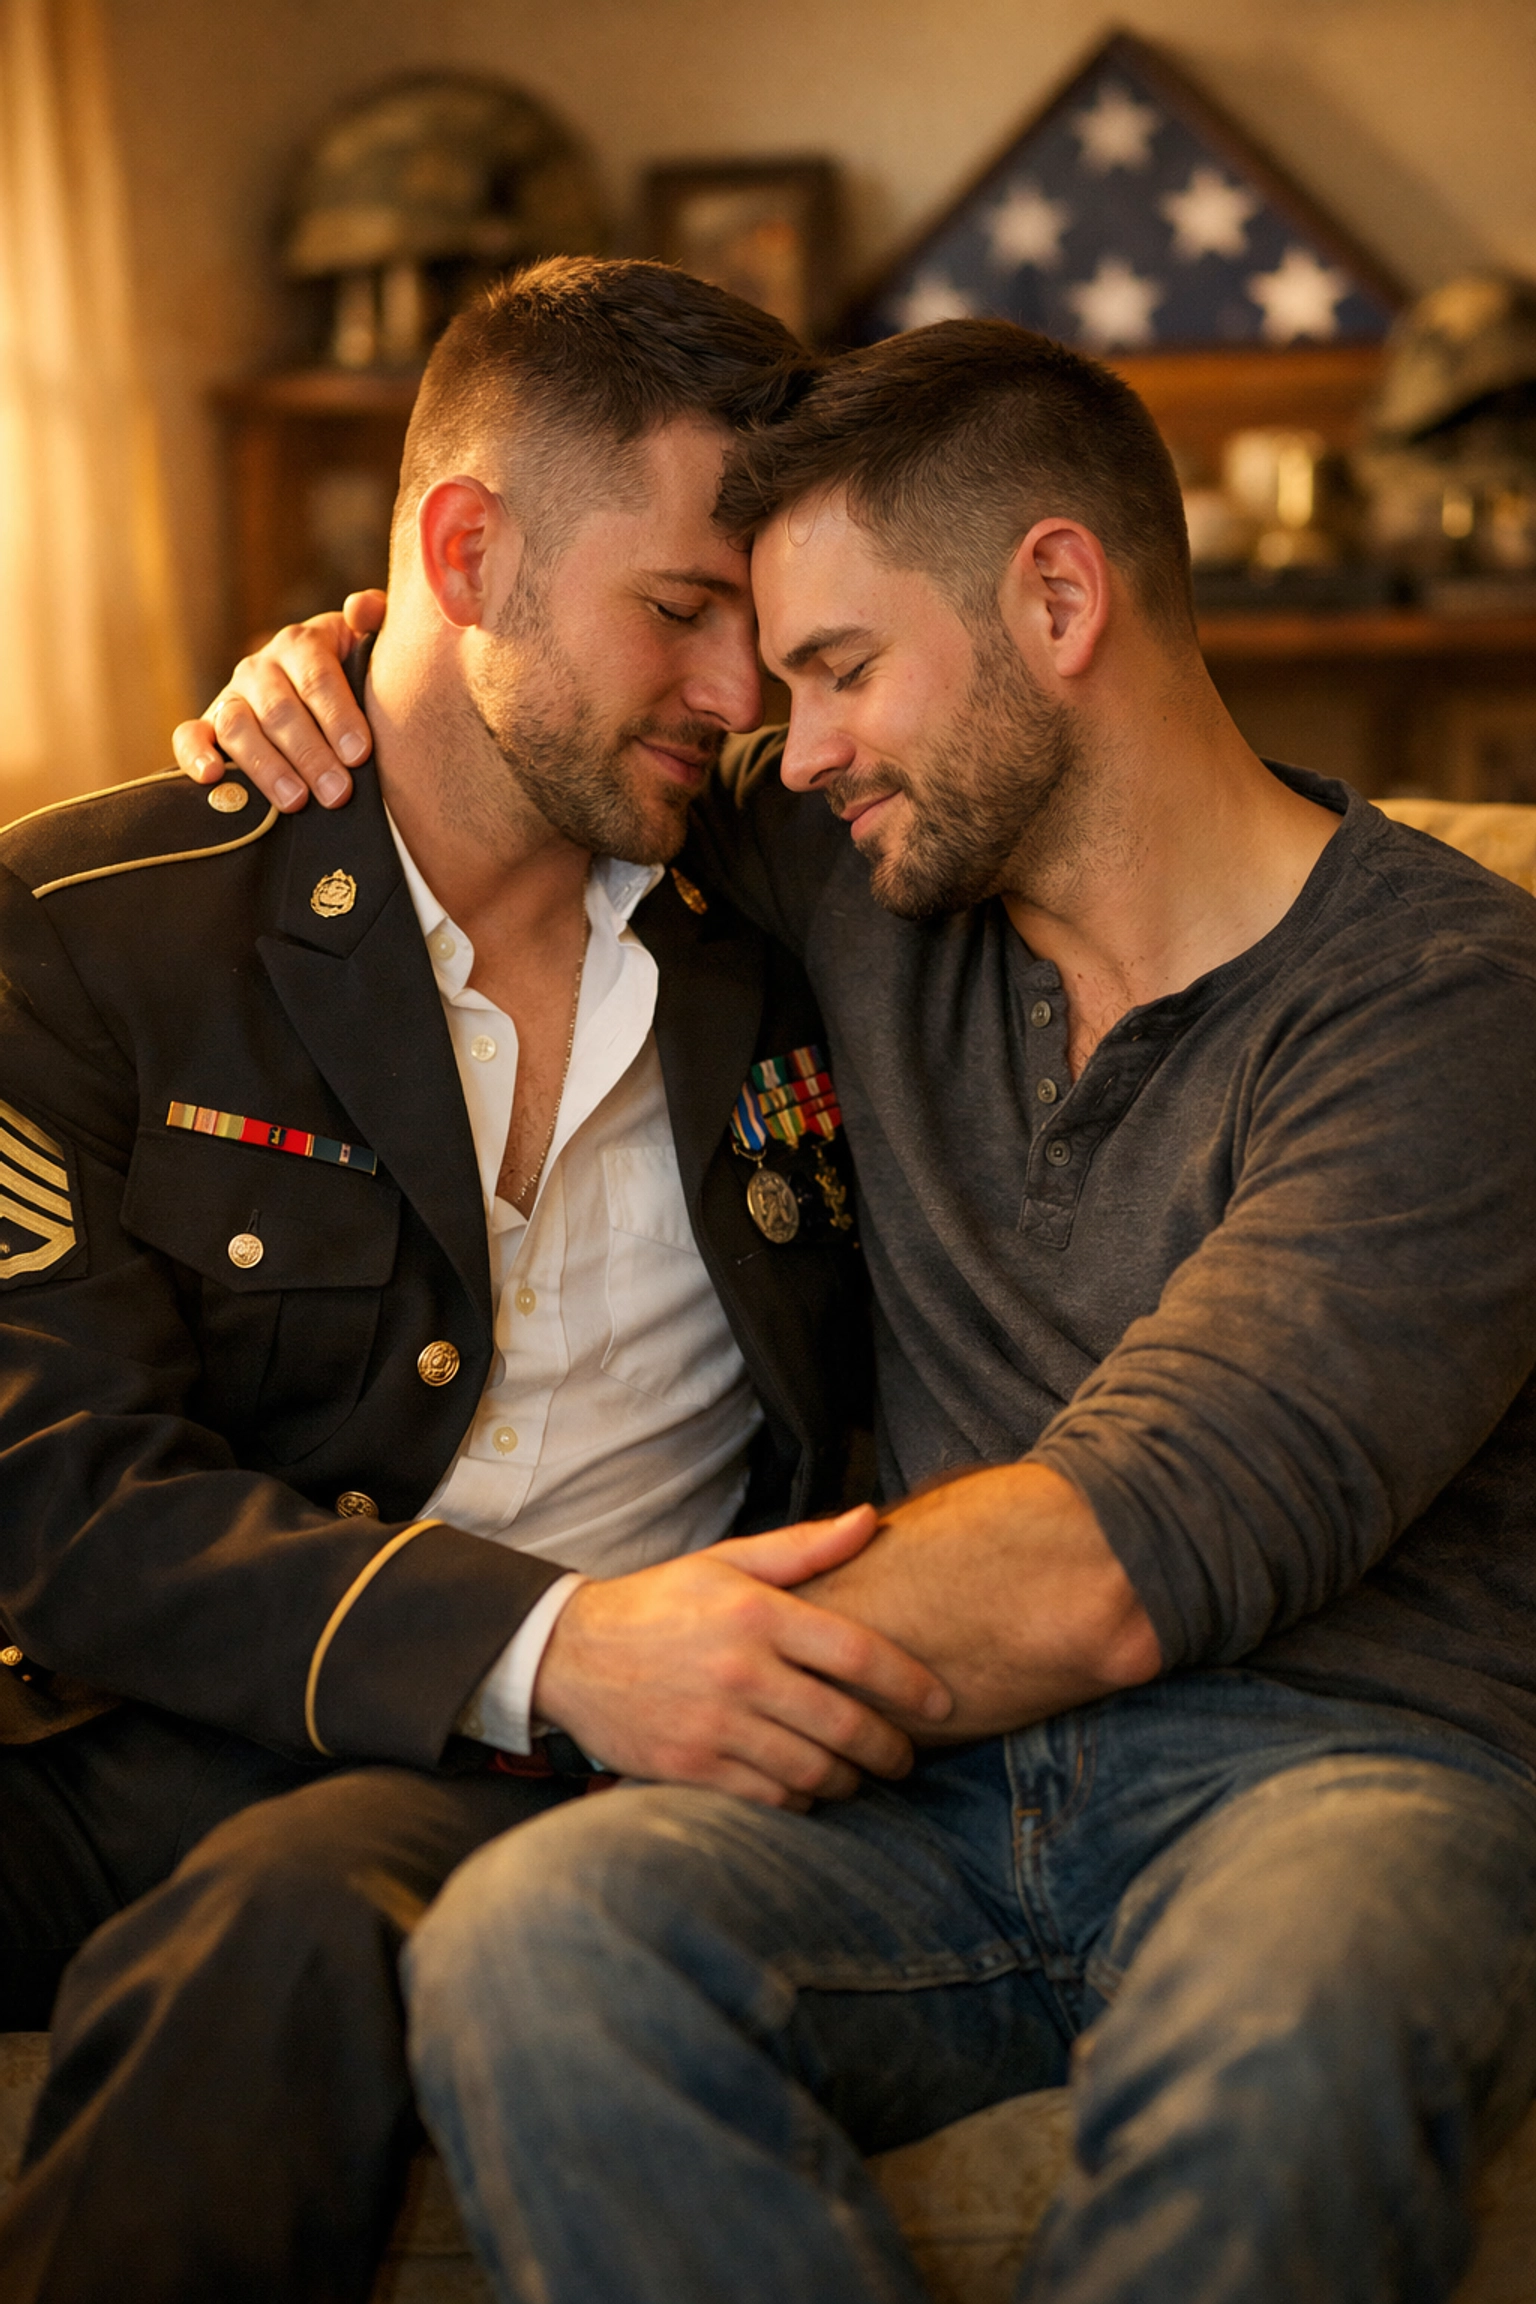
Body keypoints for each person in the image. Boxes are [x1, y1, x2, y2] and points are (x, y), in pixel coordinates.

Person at [208, 317, 1536, 2304]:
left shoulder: (1451, 1007)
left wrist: (583, 1655)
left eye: (834, 666)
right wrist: (341, 660)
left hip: (1331, 1782)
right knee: (534, 1941)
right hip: (924, 1806)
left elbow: (1130, 1550)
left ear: (1059, 597)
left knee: (1300, 2017)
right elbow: (533, 708)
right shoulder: (871, 872)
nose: (787, 738)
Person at [0, 258, 952, 2304]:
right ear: (463, 548)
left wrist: (569, 1679)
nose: (738, 700)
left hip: (511, 1797)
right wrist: (551, 1634)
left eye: (761, 635)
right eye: (681, 614)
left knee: (288, 1924)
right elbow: (54, 1490)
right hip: (119, 1722)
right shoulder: (92, 926)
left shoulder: (806, 906)